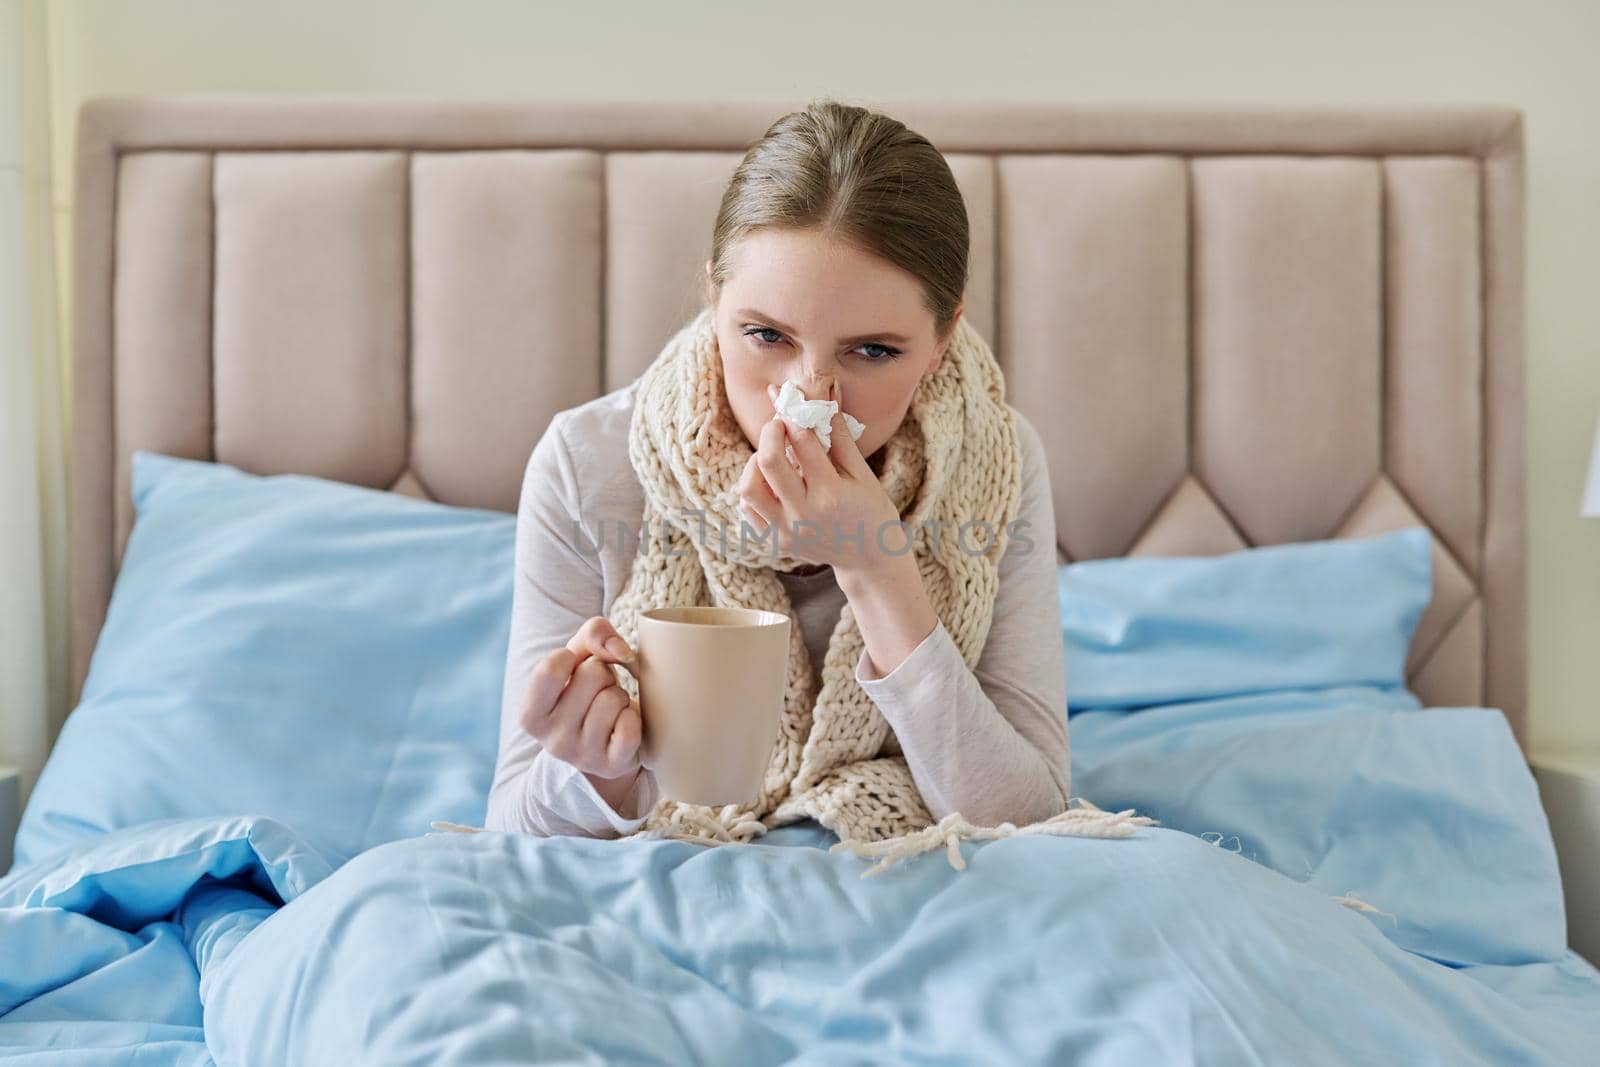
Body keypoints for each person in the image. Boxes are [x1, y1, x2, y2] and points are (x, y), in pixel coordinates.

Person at [484, 98, 1078, 854]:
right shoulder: (588, 464)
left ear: (941, 341)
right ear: (714, 297)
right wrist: (595, 775)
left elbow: (1031, 818)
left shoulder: (1000, 463)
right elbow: (507, 829)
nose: (809, 398)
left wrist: (878, 568)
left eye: (872, 351)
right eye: (765, 335)